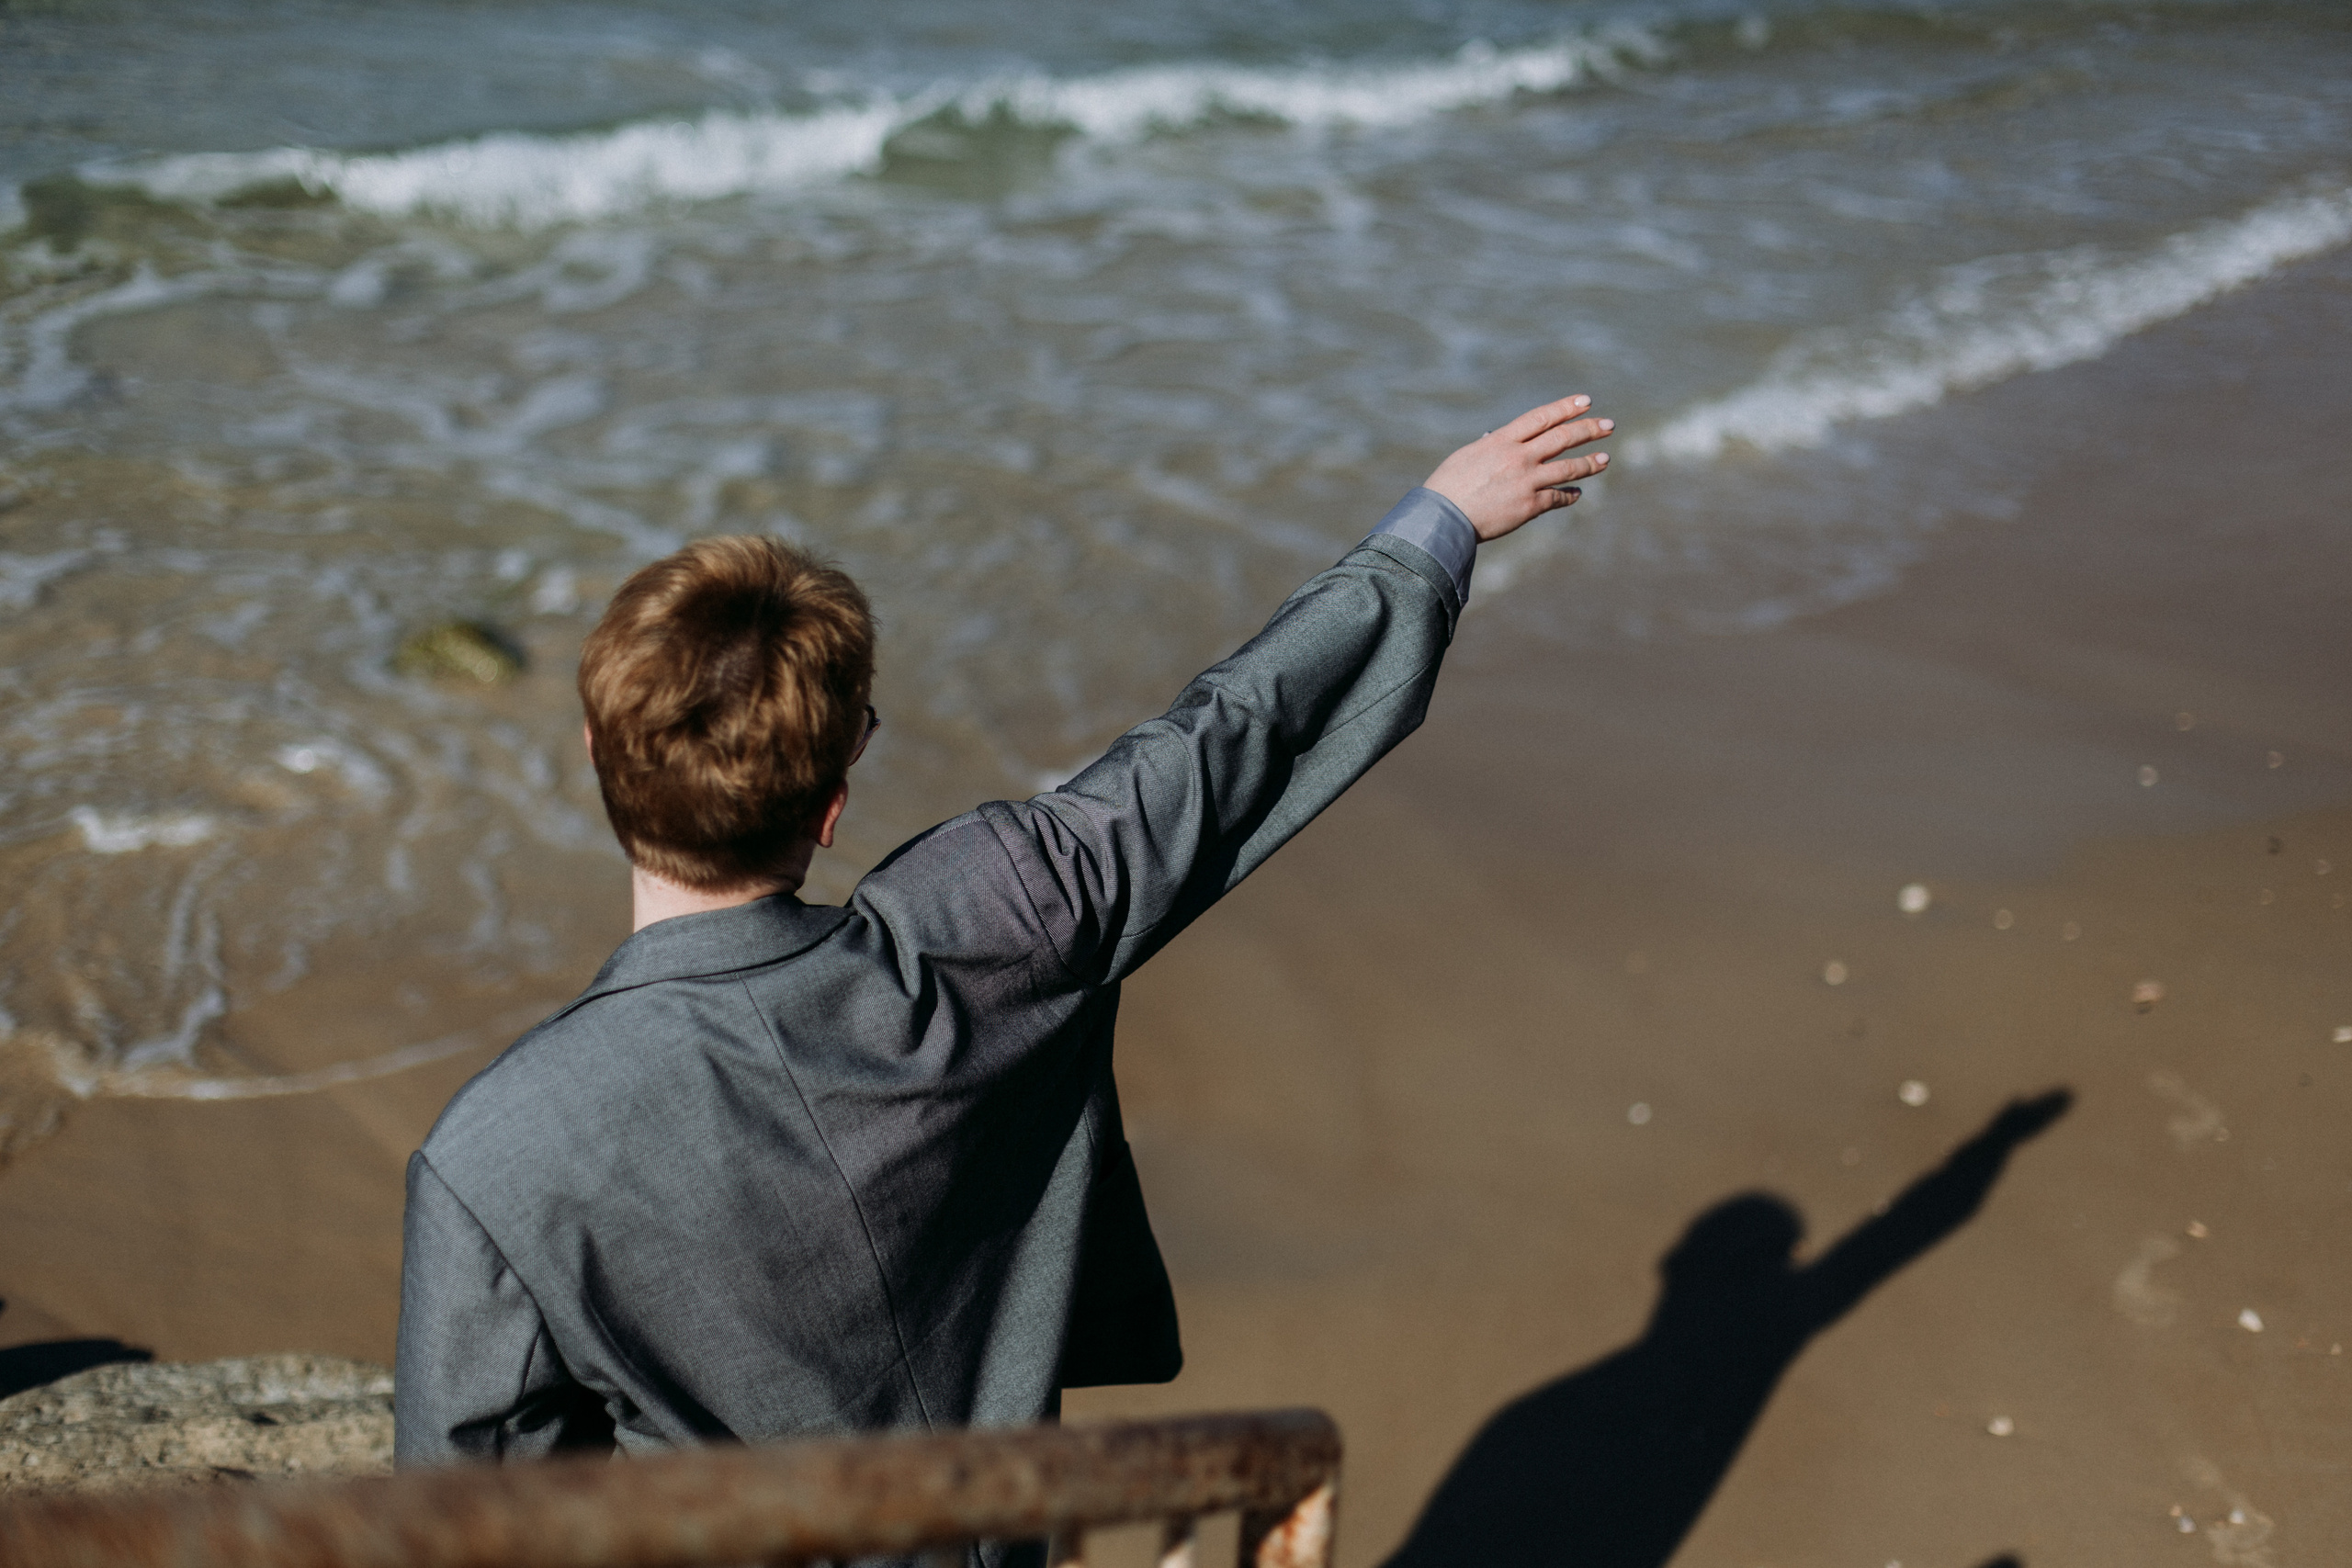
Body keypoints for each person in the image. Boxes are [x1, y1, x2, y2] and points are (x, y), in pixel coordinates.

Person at [393, 395, 1613, 1463]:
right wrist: (1436, 525)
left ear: (595, 752)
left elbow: (477, 1515)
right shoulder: (1001, 922)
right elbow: (1230, 738)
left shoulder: (499, 1155)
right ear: (836, 795)